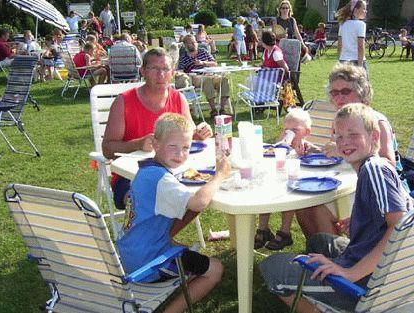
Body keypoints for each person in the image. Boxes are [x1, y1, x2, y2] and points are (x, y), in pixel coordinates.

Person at [259, 103, 414, 312]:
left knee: (272, 266)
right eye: (339, 136)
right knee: (318, 241)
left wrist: (351, 274)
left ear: (375, 137)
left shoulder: (374, 169)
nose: (344, 142)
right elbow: (392, 214)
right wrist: (360, 221)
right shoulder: (378, 166)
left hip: (370, 284)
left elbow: (400, 227)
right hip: (381, 267)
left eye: (353, 134)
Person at [116, 112, 230, 312]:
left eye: (185, 148)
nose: (180, 154)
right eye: (173, 147)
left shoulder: (147, 171)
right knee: (215, 269)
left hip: (130, 252)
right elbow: (198, 203)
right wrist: (219, 176)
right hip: (147, 263)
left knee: (188, 250)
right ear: (156, 144)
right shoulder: (161, 180)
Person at [297, 63, 403, 238]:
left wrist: (339, 151)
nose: (339, 97)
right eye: (334, 92)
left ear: (362, 93)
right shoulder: (341, 120)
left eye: (346, 91)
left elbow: (388, 163)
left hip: (378, 189)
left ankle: (342, 254)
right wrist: (315, 150)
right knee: (302, 204)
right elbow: (342, 152)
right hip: (347, 180)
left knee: (315, 206)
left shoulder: (376, 121)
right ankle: (324, 250)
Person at [102, 48, 213, 212]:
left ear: (173, 72)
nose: (160, 75)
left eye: (165, 69)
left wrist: (201, 133)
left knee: (198, 194)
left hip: (174, 172)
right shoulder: (124, 102)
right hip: (131, 175)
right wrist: (138, 144)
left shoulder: (178, 99)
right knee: (155, 199)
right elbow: (107, 149)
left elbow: (190, 136)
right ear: (143, 72)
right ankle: (158, 237)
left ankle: (165, 237)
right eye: (154, 69)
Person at [255, 108, 319, 250]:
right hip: (278, 176)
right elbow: (273, 154)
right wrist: (280, 144)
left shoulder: (307, 147)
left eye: (294, 130)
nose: (289, 134)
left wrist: (303, 153)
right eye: (286, 130)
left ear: (307, 132)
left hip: (296, 182)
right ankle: (263, 228)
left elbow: (318, 158)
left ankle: (285, 231)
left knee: (290, 192)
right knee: (266, 189)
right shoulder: (283, 144)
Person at [178, 34, 232, 118]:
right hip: (195, 78)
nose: (194, 44)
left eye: (195, 42)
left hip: (210, 74)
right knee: (207, 80)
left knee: (224, 80)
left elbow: (214, 63)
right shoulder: (184, 57)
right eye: (191, 43)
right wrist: (187, 75)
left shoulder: (203, 51)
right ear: (185, 45)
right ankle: (214, 110)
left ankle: (222, 109)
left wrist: (203, 63)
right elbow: (180, 71)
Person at [336, 0, 368, 72]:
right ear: (356, 10)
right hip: (356, 61)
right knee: (363, 83)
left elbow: (339, 46)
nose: (366, 11)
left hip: (343, 61)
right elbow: (360, 47)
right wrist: (360, 67)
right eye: (364, 8)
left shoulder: (342, 24)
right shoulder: (361, 24)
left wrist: (339, 61)